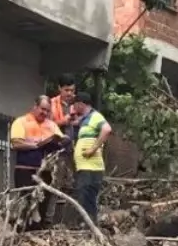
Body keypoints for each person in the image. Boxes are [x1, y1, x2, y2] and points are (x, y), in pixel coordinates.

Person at [70, 92, 111, 224]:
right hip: (85, 167)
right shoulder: (86, 119)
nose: (74, 108)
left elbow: (107, 129)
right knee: (86, 198)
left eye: (75, 105)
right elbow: (75, 122)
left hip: (90, 167)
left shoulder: (95, 116)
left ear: (81, 104)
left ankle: (88, 228)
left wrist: (93, 149)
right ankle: (89, 227)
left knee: (86, 197)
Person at [9, 96, 64, 191]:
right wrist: (35, 146)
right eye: (42, 109)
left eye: (47, 111)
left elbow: (61, 140)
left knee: (44, 204)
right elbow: (16, 144)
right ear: (35, 106)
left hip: (46, 172)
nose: (45, 113)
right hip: (25, 170)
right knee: (24, 202)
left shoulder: (52, 125)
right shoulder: (21, 121)